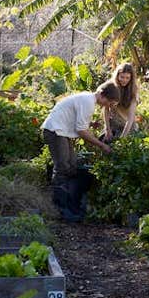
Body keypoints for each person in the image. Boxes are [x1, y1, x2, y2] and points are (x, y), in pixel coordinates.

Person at [41, 81, 120, 221]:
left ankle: (68, 204)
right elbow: (81, 131)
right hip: (55, 131)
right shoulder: (88, 102)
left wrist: (91, 124)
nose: (109, 106)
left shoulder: (88, 99)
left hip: (61, 131)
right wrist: (101, 145)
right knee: (63, 167)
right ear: (102, 95)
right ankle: (59, 208)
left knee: (72, 165)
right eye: (109, 102)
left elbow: (77, 119)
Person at [101, 62, 140, 143]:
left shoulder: (134, 90)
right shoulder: (111, 86)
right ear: (117, 75)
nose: (124, 80)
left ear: (131, 78)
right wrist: (107, 130)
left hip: (128, 126)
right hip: (113, 124)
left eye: (127, 78)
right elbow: (106, 110)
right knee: (104, 143)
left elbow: (130, 117)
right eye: (122, 77)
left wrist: (123, 138)